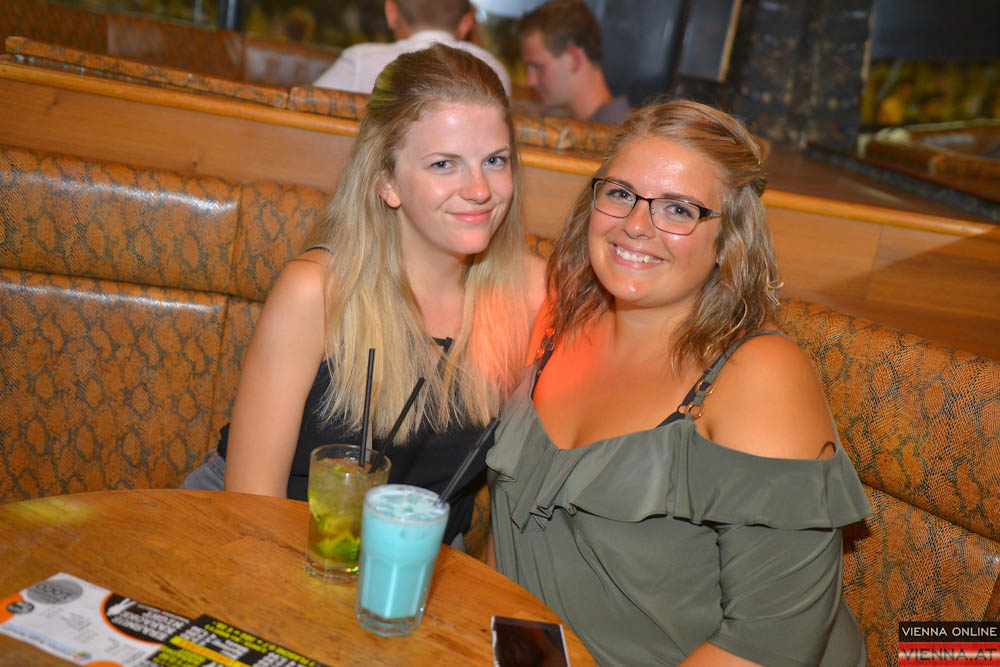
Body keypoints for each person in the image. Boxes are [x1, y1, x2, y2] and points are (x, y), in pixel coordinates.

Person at [486, 100, 873, 665]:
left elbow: (772, 645)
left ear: (729, 239)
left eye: (679, 209)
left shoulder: (756, 377)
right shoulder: (556, 318)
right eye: (621, 193)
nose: (636, 225)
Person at [184, 44, 544, 551]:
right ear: (387, 182)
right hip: (258, 537)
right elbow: (251, 507)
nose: (480, 189)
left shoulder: (532, 295)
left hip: (415, 560)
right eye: (444, 164)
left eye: (495, 160)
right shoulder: (317, 292)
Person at [314, 0, 511, 96]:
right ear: (466, 23)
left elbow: (302, 110)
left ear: (391, 12)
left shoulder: (359, 62)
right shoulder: (495, 72)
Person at [518, 0, 630, 124]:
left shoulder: (618, 131)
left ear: (574, 59)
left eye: (537, 67)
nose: (530, 82)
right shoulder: (602, 124)